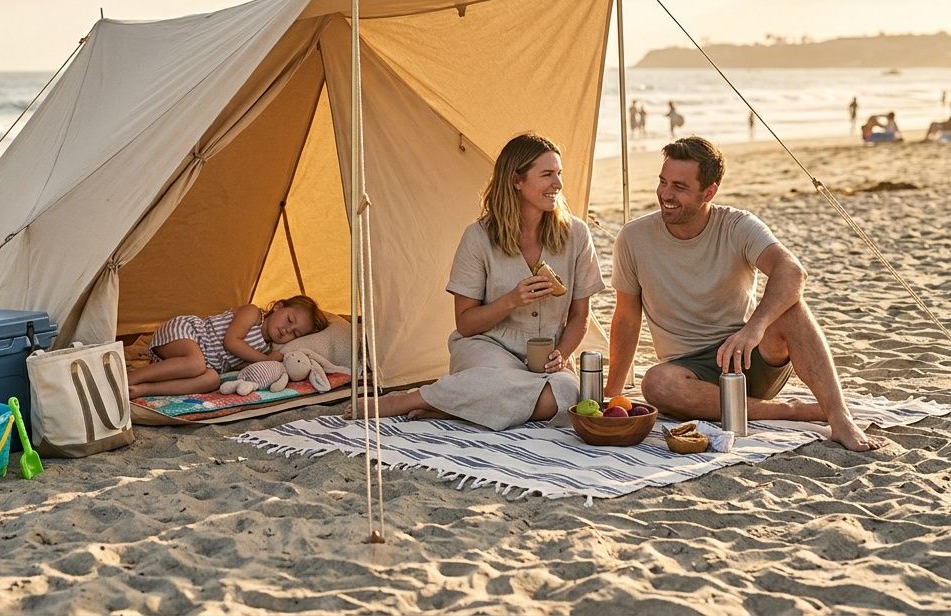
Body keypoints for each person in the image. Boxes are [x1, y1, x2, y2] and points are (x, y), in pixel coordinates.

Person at [607, 137, 882, 451]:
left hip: (749, 360)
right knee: (655, 383)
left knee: (792, 306)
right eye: (663, 182)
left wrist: (755, 327)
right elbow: (627, 318)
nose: (666, 194)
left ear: (708, 192)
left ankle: (839, 417)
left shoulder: (738, 225)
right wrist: (611, 397)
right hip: (689, 377)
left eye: (680, 187)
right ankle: (792, 411)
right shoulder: (633, 237)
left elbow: (792, 271)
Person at [346, 133, 605, 429]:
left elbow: (580, 314)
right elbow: (466, 324)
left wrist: (564, 355)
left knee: (562, 396)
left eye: (558, 174)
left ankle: (452, 405)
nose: (557, 184)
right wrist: (512, 300)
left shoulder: (576, 235)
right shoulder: (478, 237)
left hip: (544, 359)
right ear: (516, 181)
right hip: (486, 349)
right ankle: (407, 400)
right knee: (498, 380)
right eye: (547, 175)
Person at [128, 296, 328, 398]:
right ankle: (129, 378)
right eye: (289, 320)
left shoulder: (265, 349)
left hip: (190, 363)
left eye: (295, 333)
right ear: (278, 307)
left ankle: (144, 389)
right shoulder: (252, 313)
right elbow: (231, 342)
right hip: (186, 333)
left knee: (211, 380)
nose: (287, 330)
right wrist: (266, 359)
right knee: (196, 364)